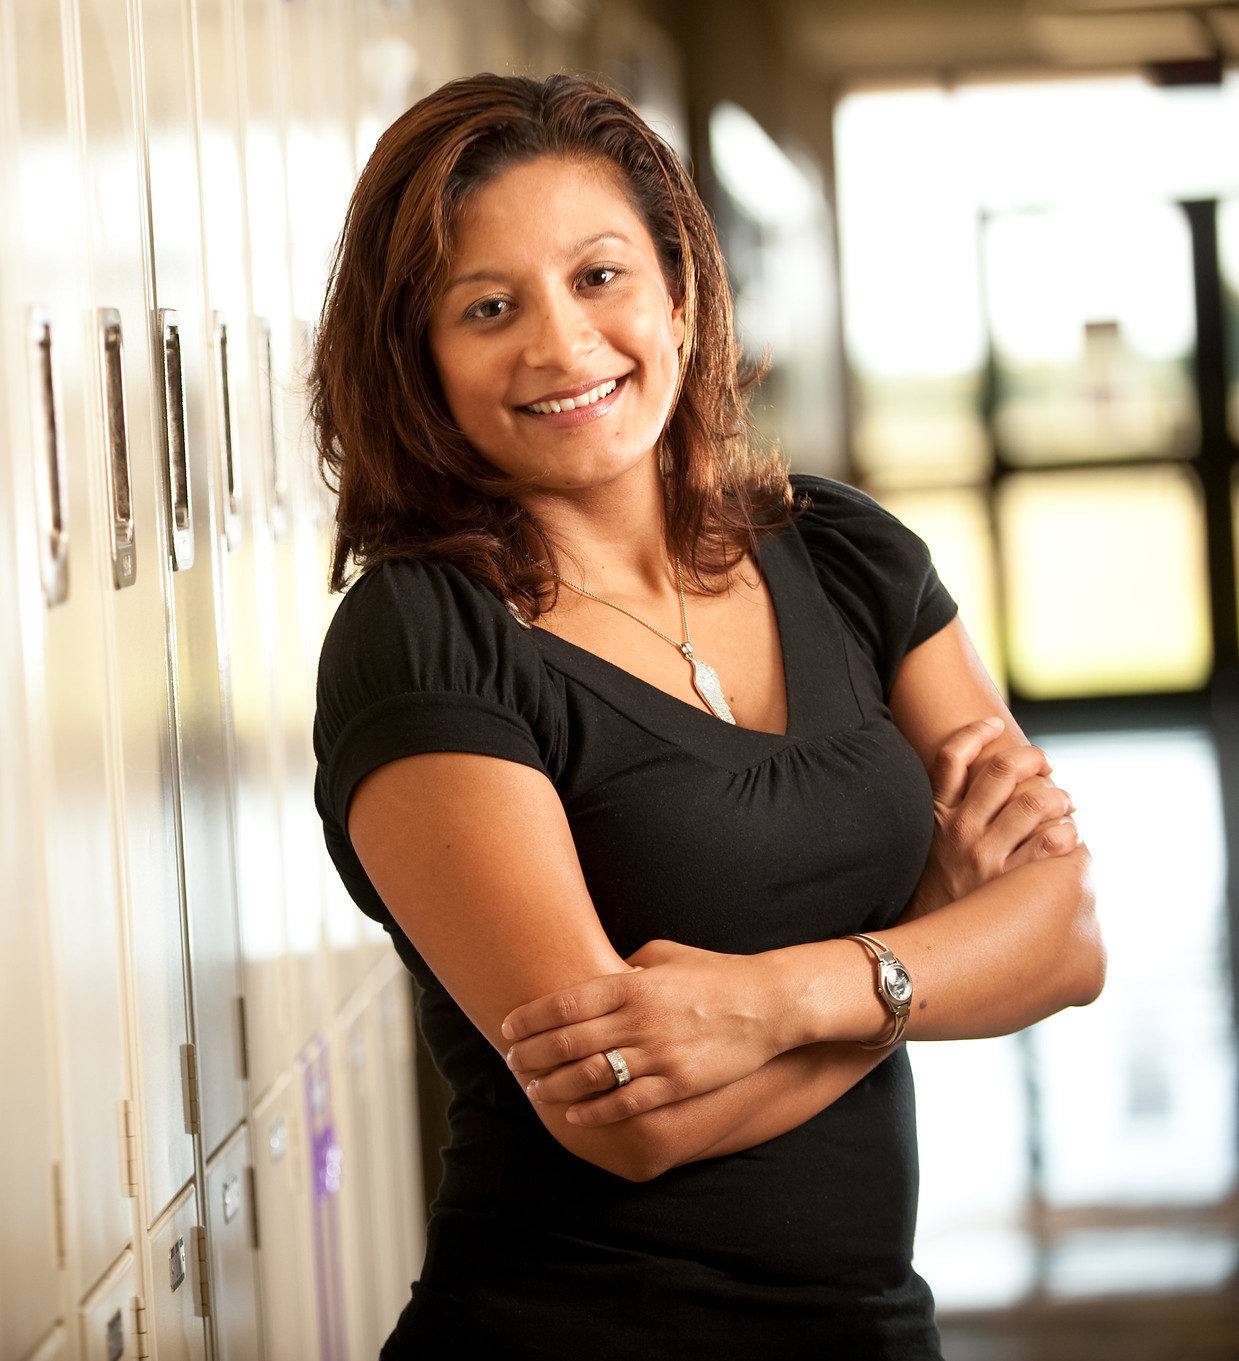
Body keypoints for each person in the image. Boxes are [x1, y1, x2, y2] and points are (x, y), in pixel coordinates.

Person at [309, 72, 1104, 1360]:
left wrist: (785, 998)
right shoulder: (426, 641)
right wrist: (932, 948)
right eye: (489, 308)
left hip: (869, 1331)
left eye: (601, 277)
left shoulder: (847, 557)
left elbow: (1067, 938)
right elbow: (626, 1116)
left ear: (680, 291)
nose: (563, 347)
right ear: (420, 362)